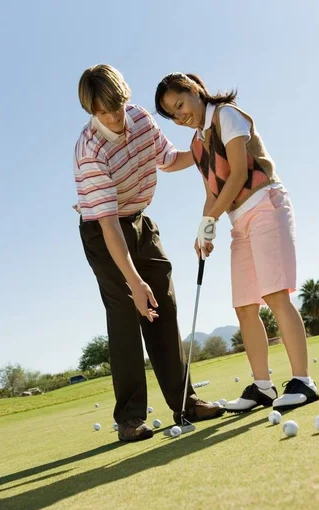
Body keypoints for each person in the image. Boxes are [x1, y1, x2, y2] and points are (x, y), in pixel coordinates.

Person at [73, 65, 224, 442]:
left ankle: (185, 402)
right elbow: (108, 225)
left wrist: (204, 142)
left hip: (140, 222)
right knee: (126, 309)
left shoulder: (139, 118)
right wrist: (135, 282)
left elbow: (169, 160)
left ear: (125, 98)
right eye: (102, 112)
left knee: (164, 306)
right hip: (103, 233)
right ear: (91, 111)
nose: (113, 118)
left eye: (116, 107)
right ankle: (129, 419)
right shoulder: (90, 149)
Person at [155, 72, 319, 412]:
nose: (180, 115)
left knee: (275, 295)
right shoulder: (198, 144)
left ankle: (303, 381)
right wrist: (204, 230)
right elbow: (212, 193)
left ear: (196, 90)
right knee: (245, 306)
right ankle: (263, 387)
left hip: (265, 206)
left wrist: (210, 220)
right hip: (238, 222)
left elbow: (240, 174)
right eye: (172, 113)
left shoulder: (226, 114)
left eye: (180, 103)